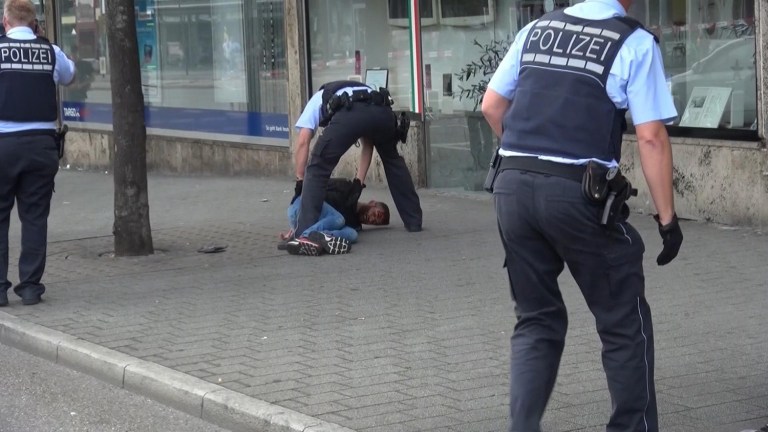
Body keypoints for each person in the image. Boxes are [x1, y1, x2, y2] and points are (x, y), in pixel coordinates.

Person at [480, 0, 683, 430]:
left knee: (536, 319)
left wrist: (528, 158)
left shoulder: (537, 29)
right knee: (622, 319)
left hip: (511, 186)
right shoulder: (634, 41)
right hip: (577, 193)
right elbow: (650, 137)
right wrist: (668, 218)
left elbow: (492, 107)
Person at [0, 0, 76, 307]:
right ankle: (30, 288)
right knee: (34, 218)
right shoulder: (51, 51)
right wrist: (44, 41)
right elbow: (69, 76)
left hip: (3, 144)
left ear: (5, 22)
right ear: (34, 23)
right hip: (42, 146)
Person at [290, 80, 422, 254]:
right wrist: (358, 182)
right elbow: (369, 142)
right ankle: (414, 221)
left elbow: (303, 141)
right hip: (383, 113)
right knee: (393, 160)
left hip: (350, 114)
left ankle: (303, 234)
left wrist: (300, 179)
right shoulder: (363, 90)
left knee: (317, 167)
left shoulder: (316, 100)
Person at [280, 177, 391, 256]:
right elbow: (313, 186)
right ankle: (304, 237)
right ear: (372, 202)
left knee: (353, 234)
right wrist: (299, 222)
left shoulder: (355, 225)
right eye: (376, 214)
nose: (372, 219)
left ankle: (320, 238)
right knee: (339, 219)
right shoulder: (347, 188)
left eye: (374, 222)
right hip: (302, 206)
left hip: (312, 224)